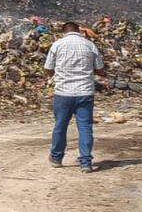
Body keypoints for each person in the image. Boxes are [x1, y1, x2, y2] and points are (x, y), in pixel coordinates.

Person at [44, 21, 105, 172]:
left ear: (63, 32)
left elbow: (48, 68)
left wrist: (57, 75)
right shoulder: (89, 45)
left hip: (63, 93)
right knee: (85, 127)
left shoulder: (58, 45)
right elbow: (100, 70)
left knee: (60, 126)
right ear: (79, 31)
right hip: (85, 92)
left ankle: (57, 158)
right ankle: (85, 163)